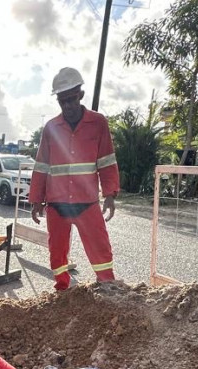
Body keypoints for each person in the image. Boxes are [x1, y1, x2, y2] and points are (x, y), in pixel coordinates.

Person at [29, 67, 121, 291]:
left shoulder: (98, 123)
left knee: (100, 247)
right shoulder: (51, 128)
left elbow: (107, 160)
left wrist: (110, 194)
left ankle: (107, 284)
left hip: (87, 202)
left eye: (71, 99)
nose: (67, 106)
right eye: (63, 101)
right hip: (57, 204)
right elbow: (41, 166)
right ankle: (62, 288)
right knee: (57, 251)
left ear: (80, 94)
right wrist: (35, 200)